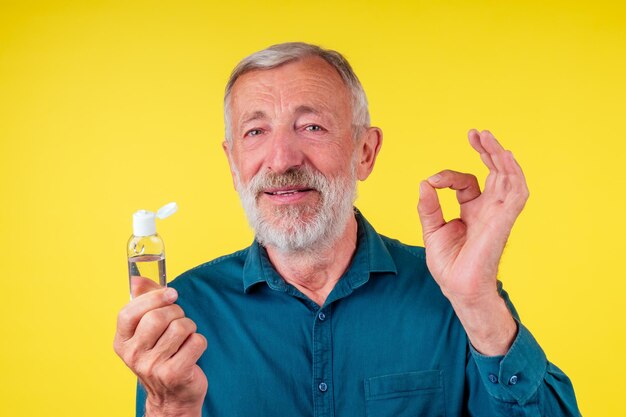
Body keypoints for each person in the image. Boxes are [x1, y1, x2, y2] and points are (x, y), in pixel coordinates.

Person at [114, 42, 581, 417]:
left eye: (312, 126)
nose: (281, 160)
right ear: (233, 163)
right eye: (255, 132)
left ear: (365, 152)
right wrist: (169, 406)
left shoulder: (456, 296)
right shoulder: (185, 315)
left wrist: (478, 303)